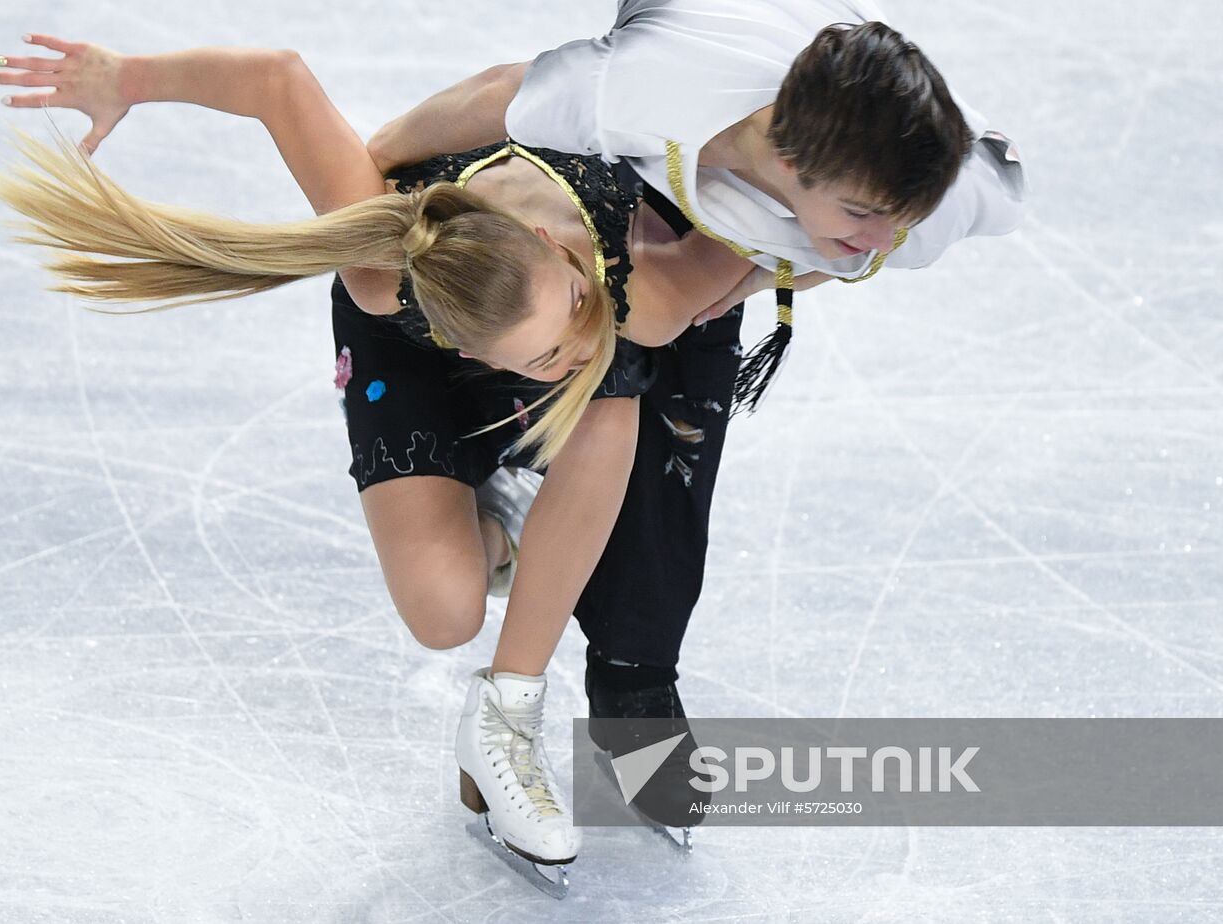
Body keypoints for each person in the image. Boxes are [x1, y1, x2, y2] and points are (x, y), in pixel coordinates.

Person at [0, 35, 761, 874]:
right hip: (404, 347)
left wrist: (858, 223)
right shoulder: (378, 270)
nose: (579, 336)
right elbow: (275, 83)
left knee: (615, 386)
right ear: (474, 358)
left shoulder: (626, 275)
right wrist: (128, 79)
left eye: (572, 298)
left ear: (547, 240)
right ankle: (505, 521)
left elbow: (782, 235)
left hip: (591, 280)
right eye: (545, 356)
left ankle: (507, 720)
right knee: (443, 614)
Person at [367, 0, 1027, 829]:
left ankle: (634, 675)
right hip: (623, 169)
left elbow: (851, 247)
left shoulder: (948, 198)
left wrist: (756, 273)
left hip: (734, 200)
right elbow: (502, 94)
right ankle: (517, 470)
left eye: (900, 219)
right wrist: (375, 162)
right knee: (615, 332)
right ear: (787, 158)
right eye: (866, 215)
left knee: (683, 410)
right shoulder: (645, 85)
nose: (882, 235)